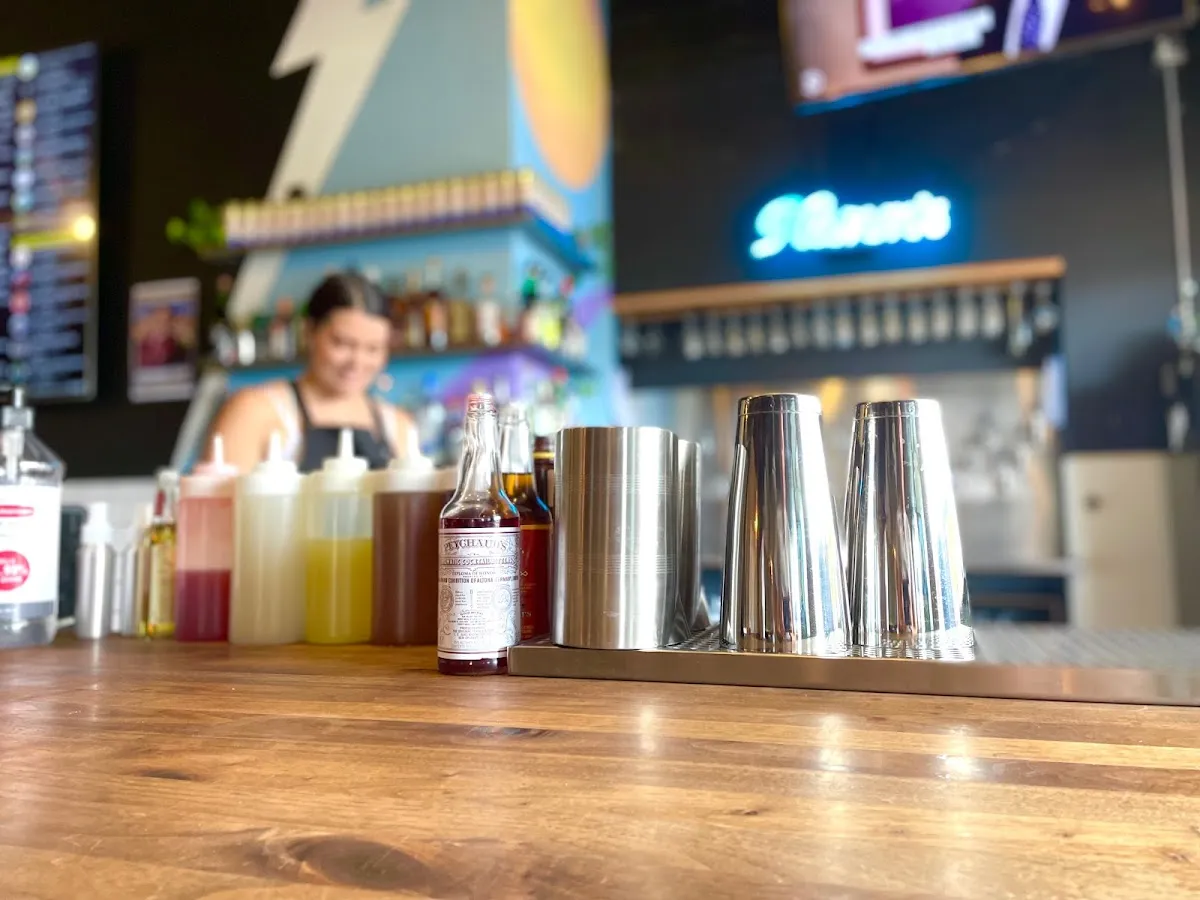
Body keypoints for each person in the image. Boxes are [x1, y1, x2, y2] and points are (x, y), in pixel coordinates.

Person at [211, 272, 414, 473]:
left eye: (373, 349)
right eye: (342, 344)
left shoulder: (398, 425)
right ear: (309, 332)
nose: (357, 362)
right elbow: (222, 493)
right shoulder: (254, 411)